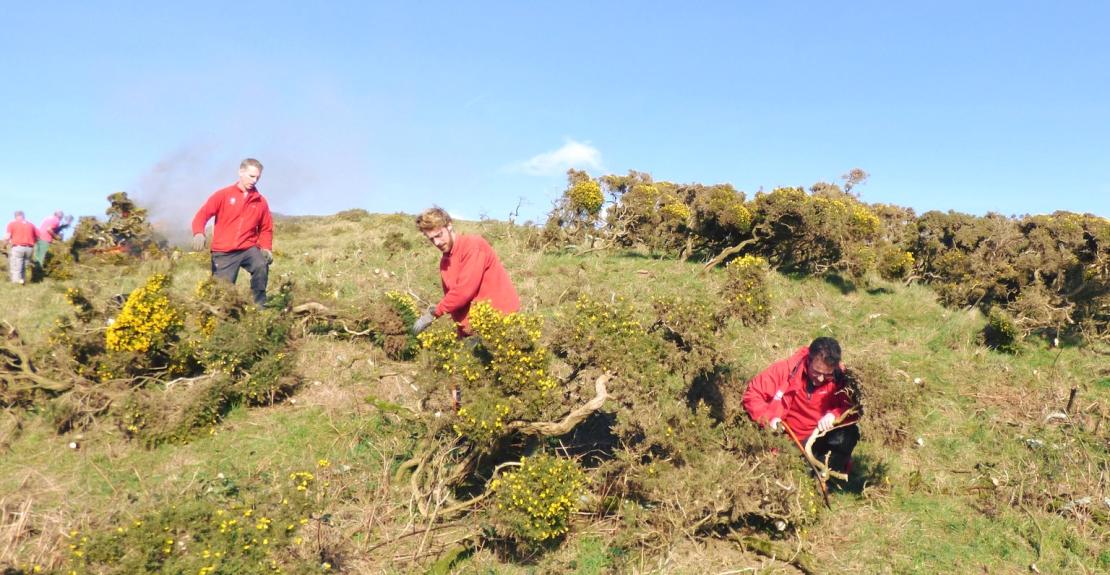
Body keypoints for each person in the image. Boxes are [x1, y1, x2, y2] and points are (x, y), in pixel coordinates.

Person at [742, 337, 860, 475]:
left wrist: (834, 414)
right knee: (786, 472)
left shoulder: (842, 379)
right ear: (808, 360)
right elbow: (753, 394)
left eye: (827, 375)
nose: (820, 379)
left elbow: (853, 409)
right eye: (816, 372)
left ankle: (825, 478)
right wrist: (769, 419)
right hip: (785, 439)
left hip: (819, 439)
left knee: (848, 434)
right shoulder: (785, 370)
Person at [411, 207, 520, 337]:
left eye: (439, 235)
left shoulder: (473, 246)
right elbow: (453, 300)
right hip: (476, 326)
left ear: (449, 225)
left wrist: (435, 313)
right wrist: (461, 333)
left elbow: (464, 291)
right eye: (431, 239)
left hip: (499, 321)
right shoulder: (445, 262)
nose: (437, 242)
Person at [191, 158, 274, 305]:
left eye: (258, 178)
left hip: (248, 248)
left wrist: (266, 248)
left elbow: (266, 228)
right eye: (251, 176)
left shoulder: (260, 201)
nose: (254, 181)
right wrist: (198, 233)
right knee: (222, 293)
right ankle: (222, 318)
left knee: (261, 265)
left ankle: (259, 306)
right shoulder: (223, 195)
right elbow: (201, 215)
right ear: (241, 172)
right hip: (223, 252)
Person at [5, 211, 38, 284]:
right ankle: (22, 281)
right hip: (29, 248)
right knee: (24, 267)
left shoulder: (12, 224)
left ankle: (16, 284)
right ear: (23, 216)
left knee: (16, 267)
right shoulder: (31, 225)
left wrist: (4, 244)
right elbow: (37, 236)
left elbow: (7, 237)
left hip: (18, 247)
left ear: (16, 216)